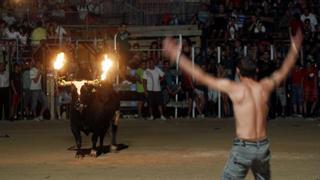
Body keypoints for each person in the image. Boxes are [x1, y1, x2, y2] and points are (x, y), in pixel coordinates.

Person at [163, 30, 303, 179]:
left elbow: (201, 76)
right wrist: (294, 48)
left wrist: (178, 56)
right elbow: (284, 70)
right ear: (256, 71)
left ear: (237, 72)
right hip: (262, 146)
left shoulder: (236, 89)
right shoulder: (264, 86)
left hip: (244, 147)